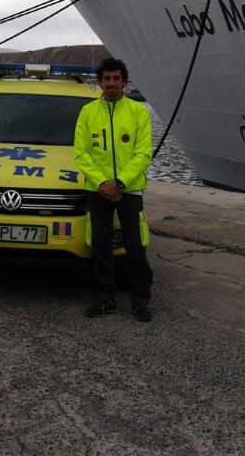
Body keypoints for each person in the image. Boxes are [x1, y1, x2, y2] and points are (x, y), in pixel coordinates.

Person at [73, 58, 155, 321]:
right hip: (98, 190)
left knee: (135, 247)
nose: (111, 83)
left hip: (128, 189)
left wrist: (119, 183)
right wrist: (103, 183)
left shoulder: (137, 112)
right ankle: (106, 298)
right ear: (100, 82)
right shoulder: (87, 112)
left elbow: (143, 153)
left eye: (116, 78)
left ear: (124, 81)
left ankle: (140, 300)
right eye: (107, 79)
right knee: (101, 247)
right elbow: (81, 153)